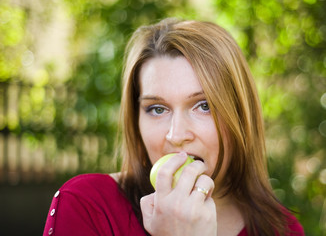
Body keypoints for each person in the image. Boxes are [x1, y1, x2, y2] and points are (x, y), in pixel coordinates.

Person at [43, 18, 304, 236]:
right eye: (157, 109)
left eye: (204, 106)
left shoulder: (281, 230)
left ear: (239, 114)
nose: (176, 135)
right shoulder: (88, 206)